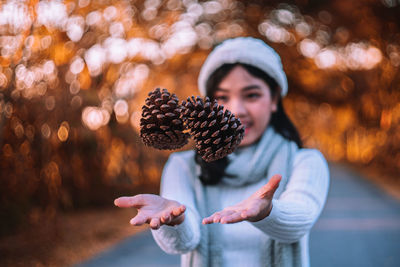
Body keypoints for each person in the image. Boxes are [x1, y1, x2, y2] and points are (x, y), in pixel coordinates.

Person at [114, 37, 330, 267]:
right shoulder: (183, 166)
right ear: (208, 104)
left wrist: (268, 211)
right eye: (222, 97)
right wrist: (175, 221)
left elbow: (300, 218)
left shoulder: (305, 162)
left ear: (274, 99)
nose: (237, 110)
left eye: (252, 95)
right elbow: (183, 242)